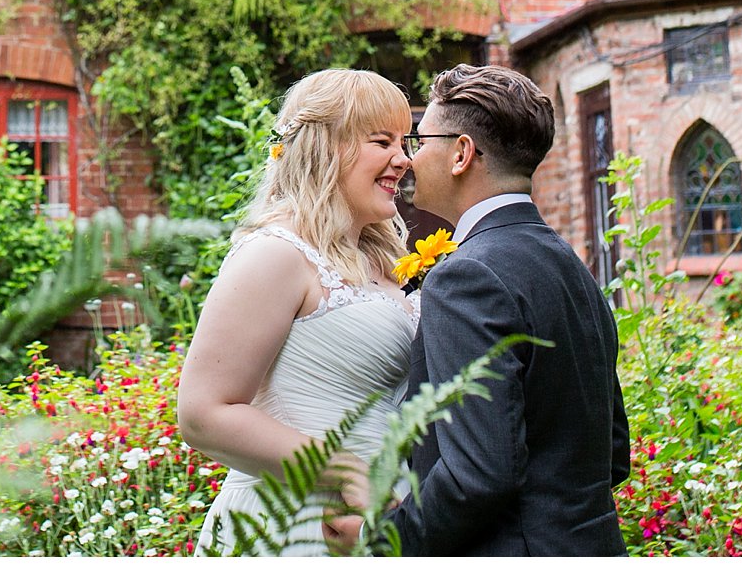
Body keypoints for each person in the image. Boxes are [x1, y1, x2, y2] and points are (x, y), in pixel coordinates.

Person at [329, 62, 630, 555]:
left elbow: (477, 474)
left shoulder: (467, 276)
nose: (409, 159)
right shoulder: (571, 266)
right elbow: (612, 454)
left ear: (461, 154)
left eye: (420, 141)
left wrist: (377, 542)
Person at [177, 68, 419, 555]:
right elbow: (202, 414)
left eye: (405, 142)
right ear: (327, 148)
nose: (403, 159)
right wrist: (347, 473)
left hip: (375, 529)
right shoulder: (275, 252)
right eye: (382, 142)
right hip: (290, 526)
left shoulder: (385, 261)